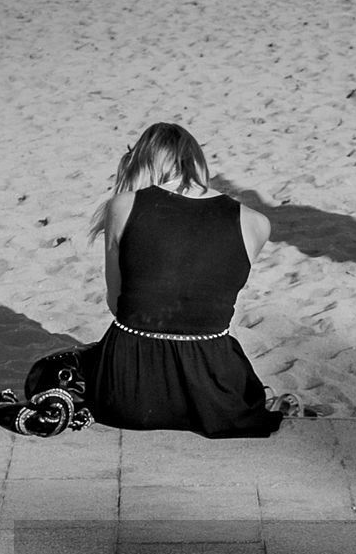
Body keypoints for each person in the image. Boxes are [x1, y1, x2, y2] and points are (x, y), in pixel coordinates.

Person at [84, 122, 288, 438]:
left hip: (127, 394)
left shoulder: (123, 206)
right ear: (195, 161)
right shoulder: (256, 223)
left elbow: (117, 304)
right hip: (214, 396)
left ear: (144, 162)